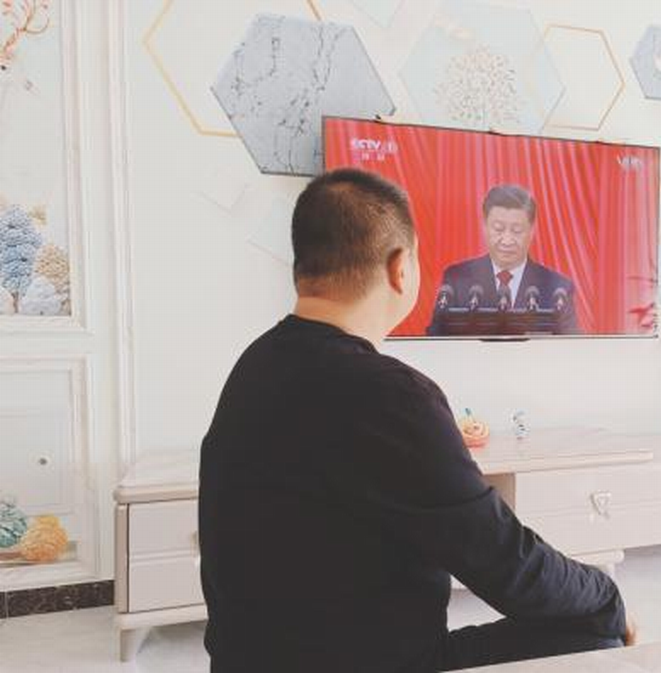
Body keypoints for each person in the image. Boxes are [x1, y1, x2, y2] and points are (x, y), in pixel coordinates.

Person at [199, 168, 632, 673]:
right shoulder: (390, 394)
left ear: (302, 266)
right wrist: (607, 595)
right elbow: (507, 566)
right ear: (400, 267)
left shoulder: (255, 364)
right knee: (595, 629)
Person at [427, 184, 581, 336]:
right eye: (498, 229)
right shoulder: (457, 280)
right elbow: (435, 341)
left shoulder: (557, 288)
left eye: (517, 230)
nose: (507, 240)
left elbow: (571, 347)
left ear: (532, 230)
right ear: (484, 226)